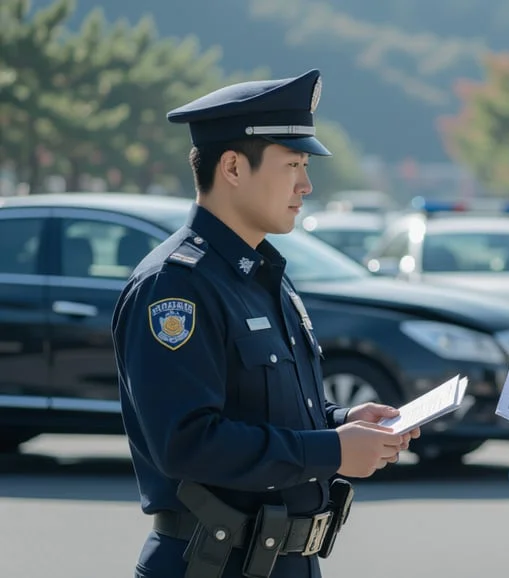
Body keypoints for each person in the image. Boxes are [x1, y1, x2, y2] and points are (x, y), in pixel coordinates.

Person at [111, 69, 419, 578]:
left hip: (282, 562)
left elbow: (265, 407)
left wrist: (340, 422)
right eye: (293, 164)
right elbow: (188, 442)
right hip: (211, 565)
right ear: (232, 167)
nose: (307, 184)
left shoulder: (261, 273)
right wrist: (332, 451)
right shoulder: (175, 286)